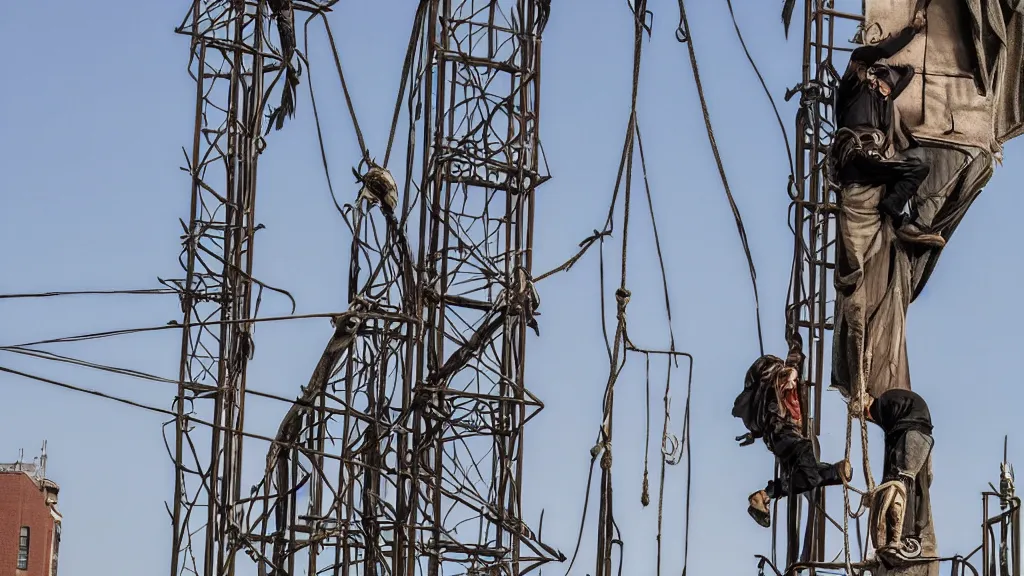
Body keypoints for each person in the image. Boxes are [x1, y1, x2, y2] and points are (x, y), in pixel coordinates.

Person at [833, 9, 946, 248]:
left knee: (916, 168)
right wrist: (912, 30)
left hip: (870, 165)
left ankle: (895, 211)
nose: (887, 91)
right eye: (885, 85)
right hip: (855, 157)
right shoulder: (853, 87)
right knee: (916, 169)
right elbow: (878, 53)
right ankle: (894, 210)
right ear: (873, 77)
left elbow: (907, 75)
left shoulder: (882, 105)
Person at [733, 331, 852, 527]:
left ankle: (835, 473)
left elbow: (763, 419)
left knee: (806, 476)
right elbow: (792, 367)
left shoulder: (767, 393)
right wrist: (795, 346)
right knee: (808, 471)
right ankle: (764, 494)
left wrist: (753, 434)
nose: (792, 383)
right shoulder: (779, 383)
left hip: (780, 439)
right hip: (786, 436)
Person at [856, 389, 935, 559]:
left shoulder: (881, 408)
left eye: (865, 415)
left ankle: (896, 539)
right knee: (916, 485)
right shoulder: (891, 406)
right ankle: (910, 534)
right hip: (923, 434)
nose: (869, 419)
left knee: (898, 483)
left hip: (910, 433)